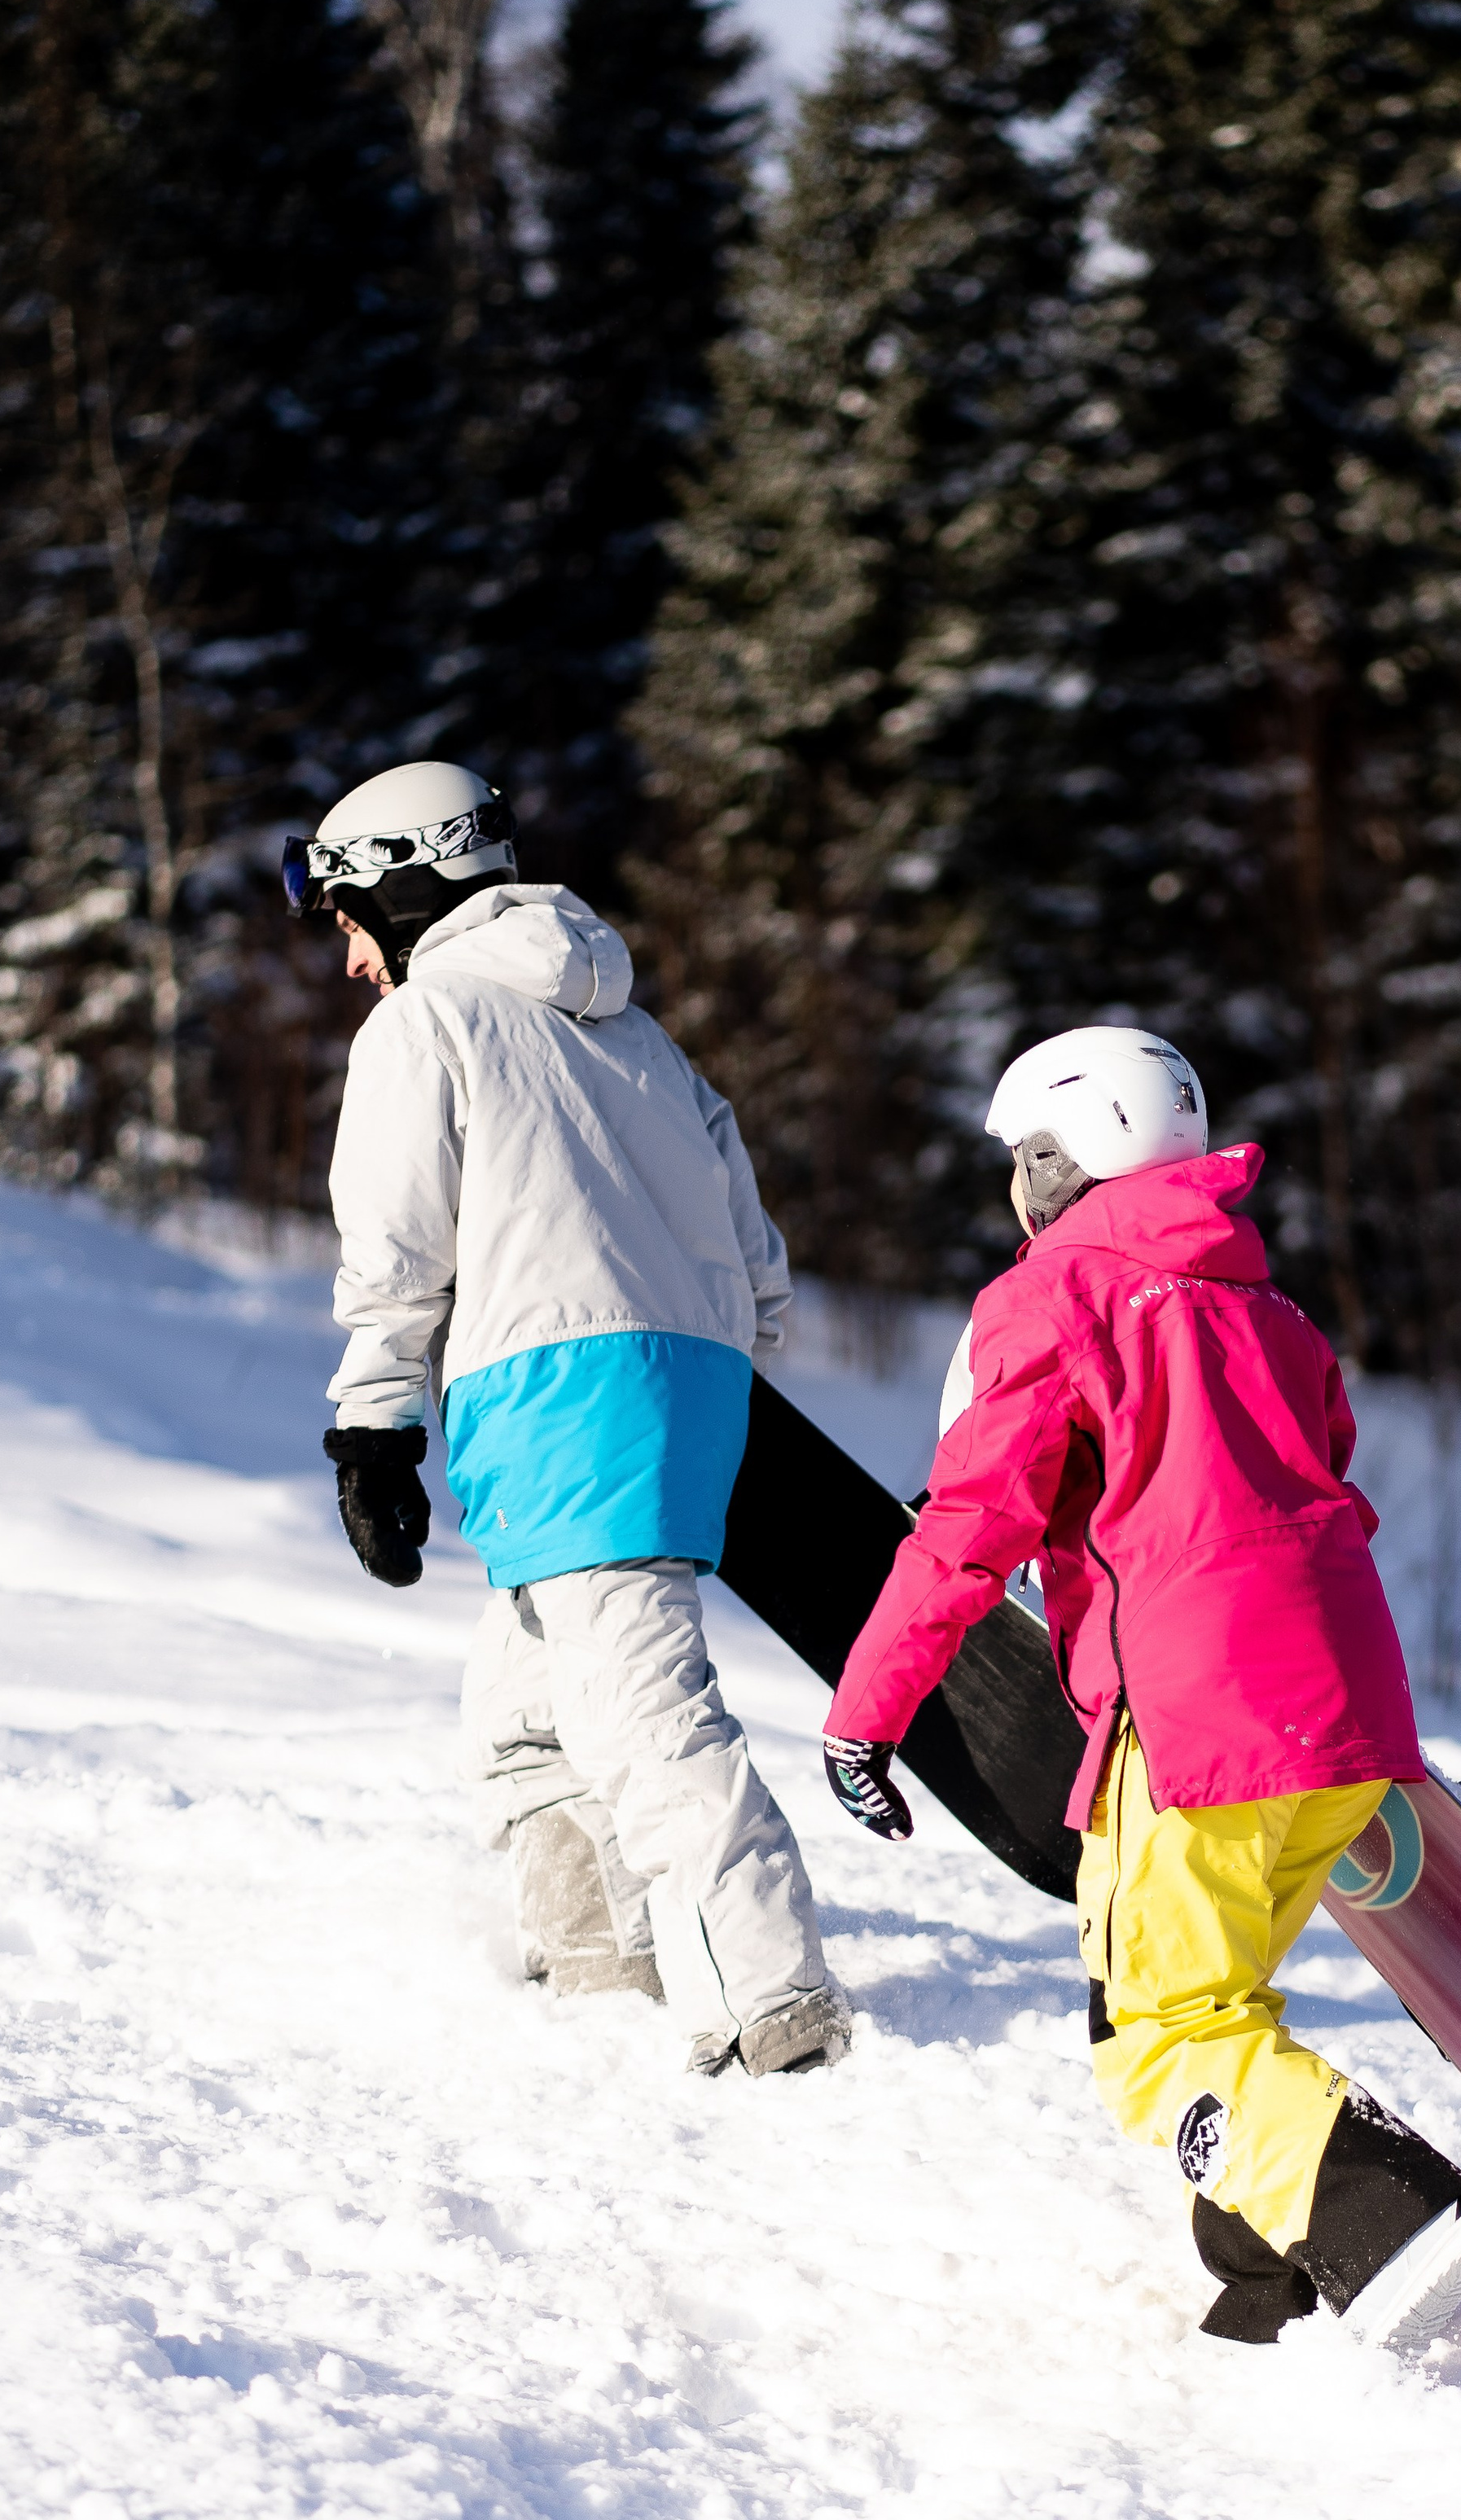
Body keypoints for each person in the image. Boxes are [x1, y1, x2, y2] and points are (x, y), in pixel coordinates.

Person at [819, 1027, 1461, 2347]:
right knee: (1220, 1994)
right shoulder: (1269, 1307)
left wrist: (869, 1713)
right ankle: (1267, 2278)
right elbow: (1296, 1468)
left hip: (1197, 1727)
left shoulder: (1055, 1295)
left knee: (1160, 2032)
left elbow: (972, 1525)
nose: (1015, 1200)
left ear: (1055, 1161)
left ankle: (1395, 2216)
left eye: (1021, 1167)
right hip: (1348, 1710)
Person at [287, 758, 850, 2079]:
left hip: (557, 1393)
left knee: (636, 1709)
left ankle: (772, 2002)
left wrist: (373, 1427)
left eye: (348, 924)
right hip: (684, 1391)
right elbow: (758, 1255)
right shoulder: (639, 1035)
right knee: (525, 1715)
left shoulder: (429, 1026)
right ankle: (599, 1952)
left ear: (402, 888)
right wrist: (704, 1386)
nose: (352, 963)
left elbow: (394, 1245)